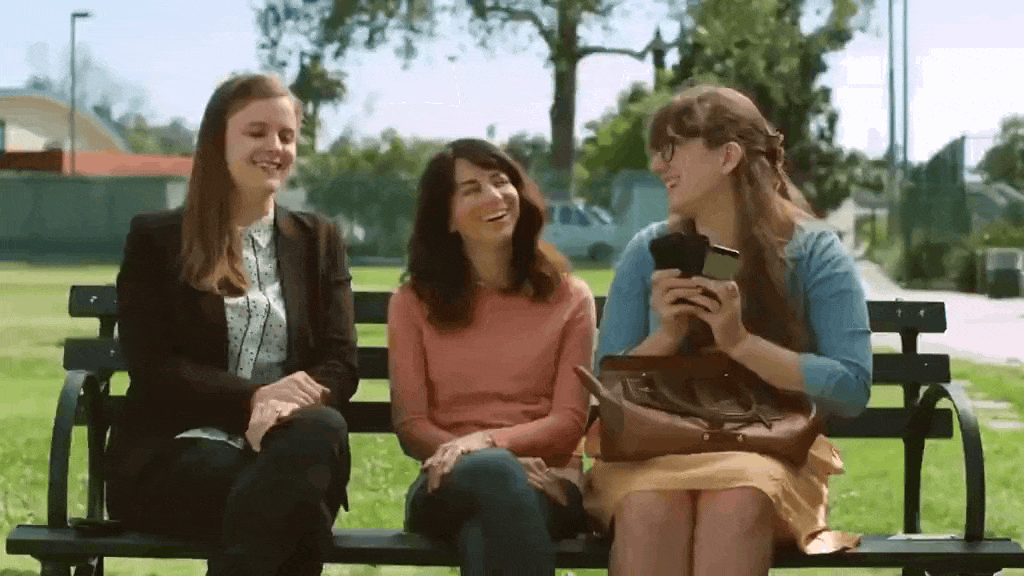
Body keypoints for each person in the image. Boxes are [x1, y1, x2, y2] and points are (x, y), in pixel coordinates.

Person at [584, 84, 872, 575]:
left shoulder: (815, 253)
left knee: (737, 499)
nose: (657, 165)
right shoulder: (648, 251)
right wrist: (667, 335)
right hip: (653, 451)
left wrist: (740, 343)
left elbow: (851, 388)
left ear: (728, 157)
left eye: (672, 148)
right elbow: (604, 388)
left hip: (768, 451)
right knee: (650, 506)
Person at [105, 73, 357, 576]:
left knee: (315, 436)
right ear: (217, 141)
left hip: (292, 447)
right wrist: (254, 398)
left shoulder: (319, 240)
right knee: (295, 510)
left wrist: (284, 406)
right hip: (173, 455)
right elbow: (153, 366)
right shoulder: (157, 239)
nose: (275, 147)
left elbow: (340, 363)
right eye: (256, 132)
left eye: (287, 136)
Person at [387, 138, 595, 574]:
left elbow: (568, 421)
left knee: (485, 530)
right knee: (496, 477)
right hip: (446, 482)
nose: (494, 196)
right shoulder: (412, 302)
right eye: (471, 189)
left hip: (548, 483)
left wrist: (487, 444)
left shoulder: (571, 297)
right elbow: (412, 425)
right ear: (446, 217)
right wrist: (485, 457)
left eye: (501, 181)